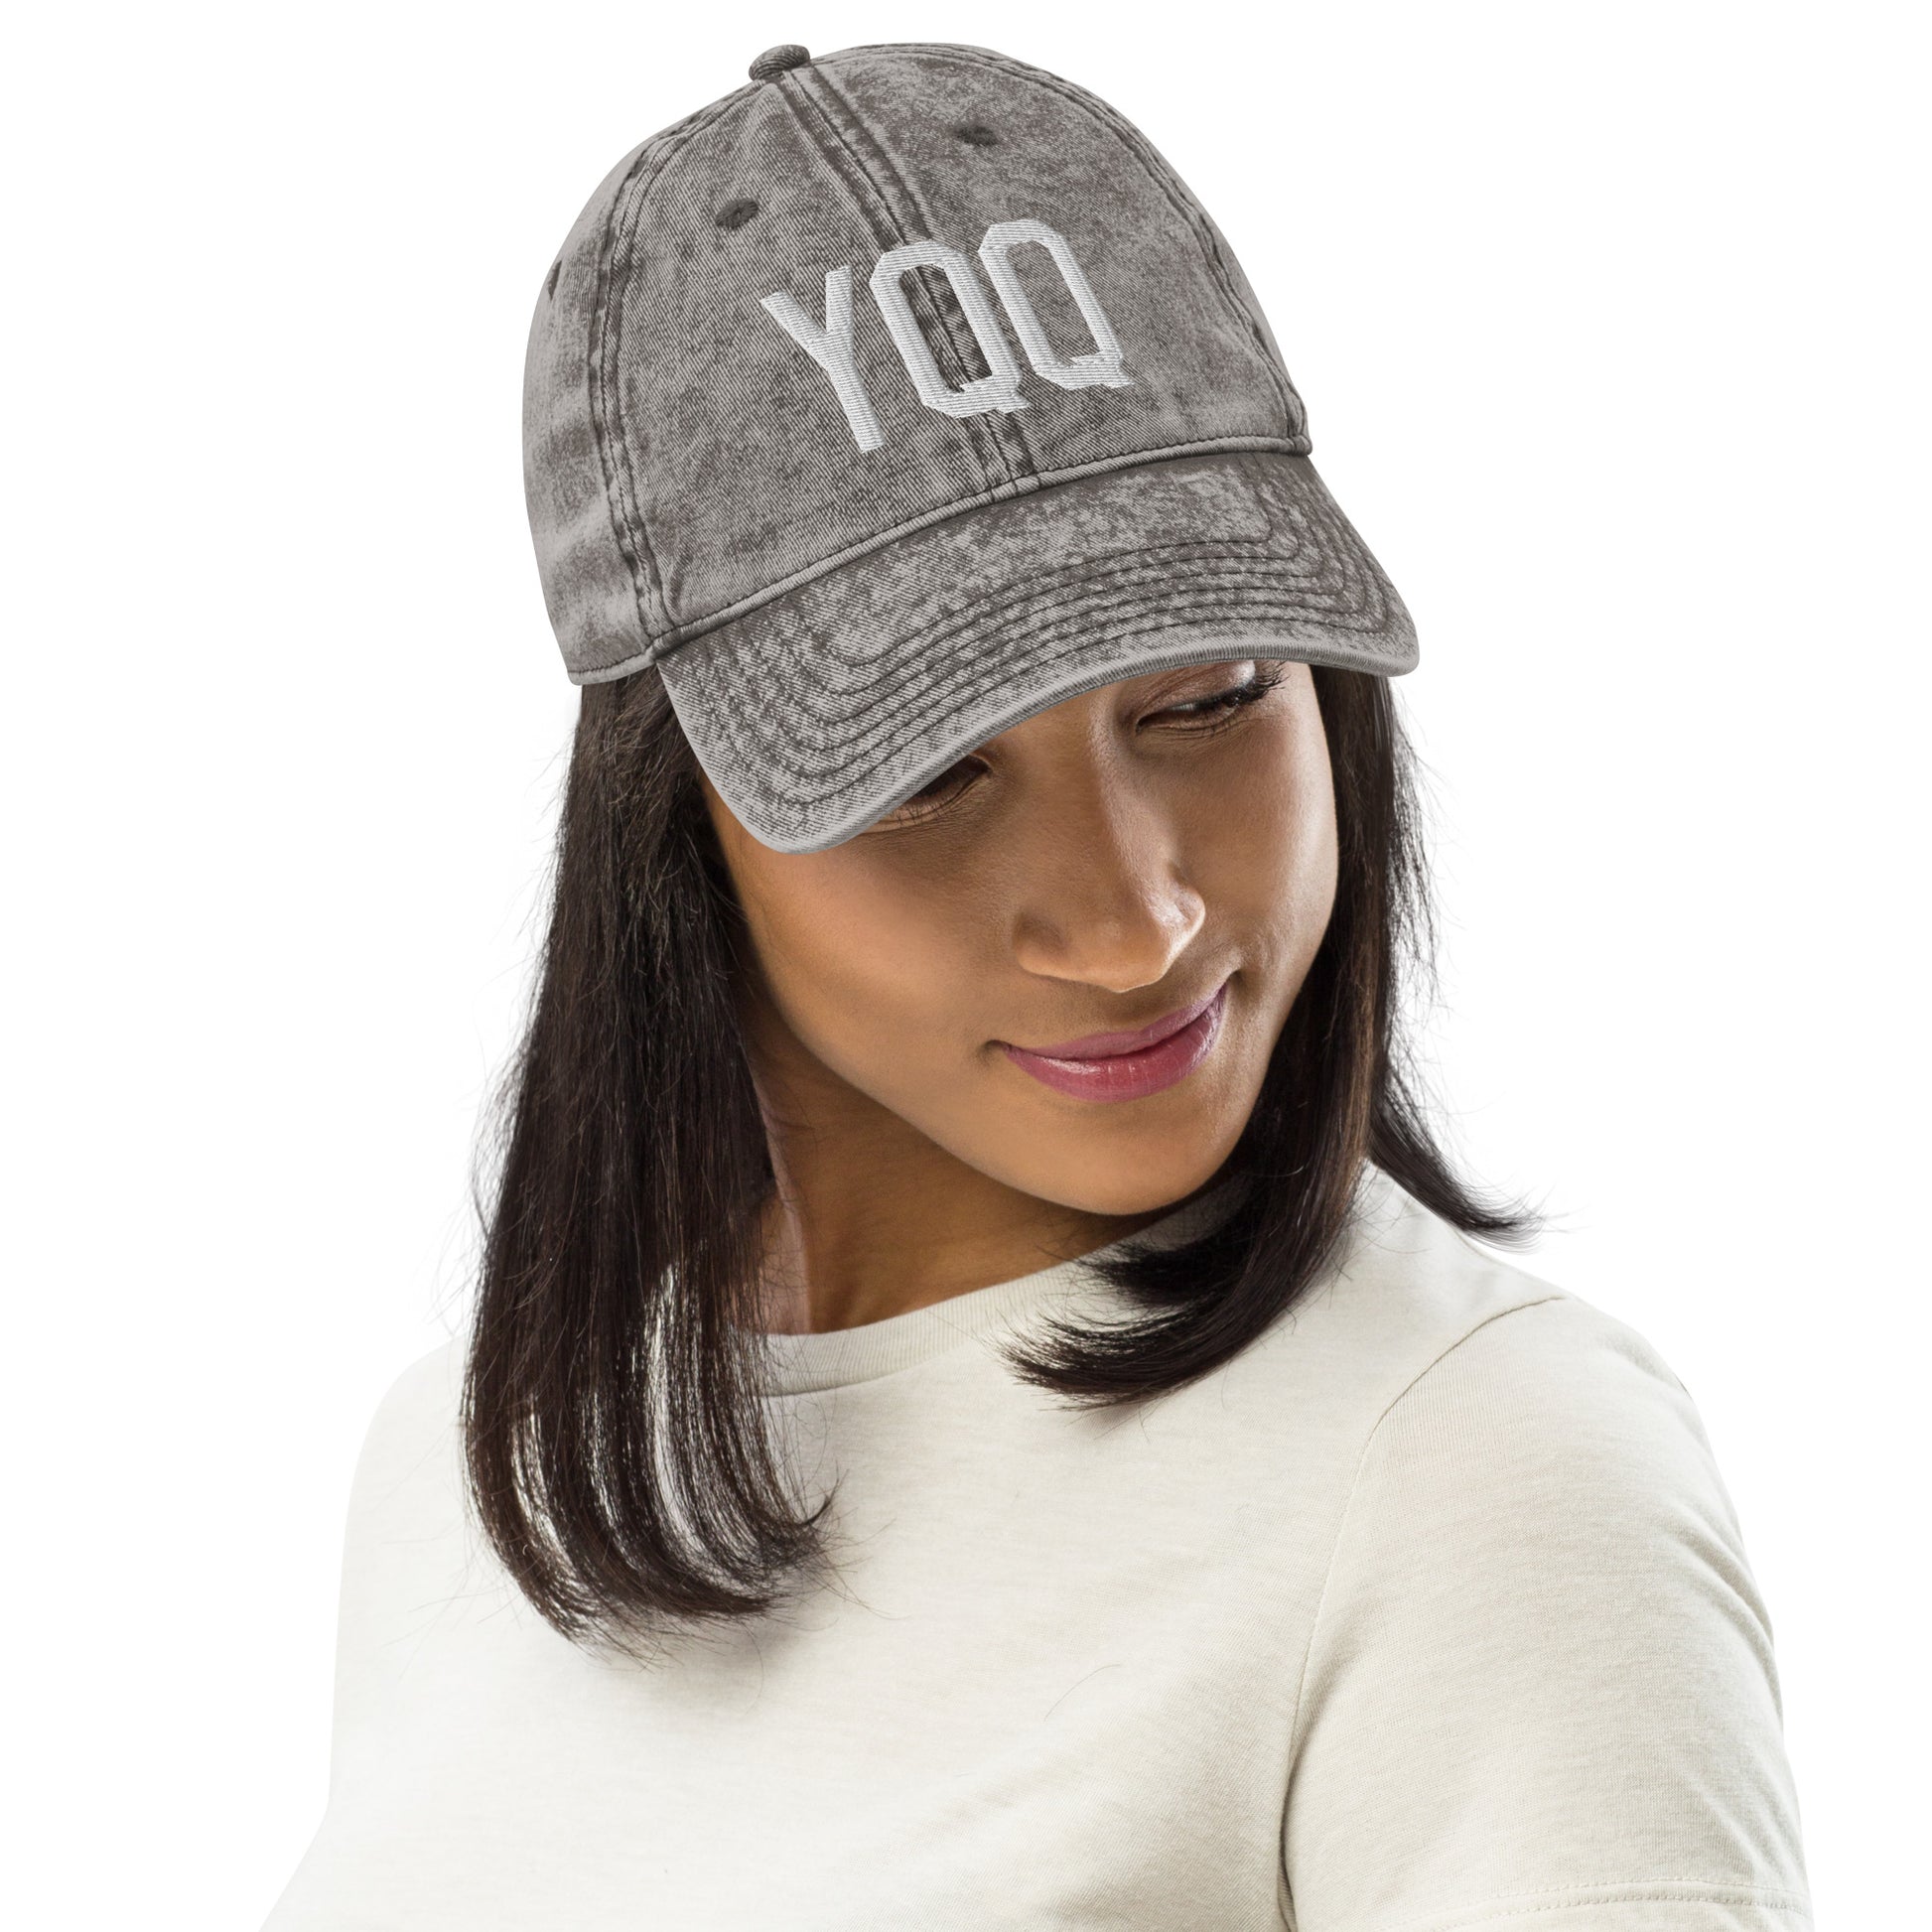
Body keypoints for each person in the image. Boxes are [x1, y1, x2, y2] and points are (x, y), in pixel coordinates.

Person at [263, 41, 1813, 1932]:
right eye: (930, 772)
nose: (1133, 920)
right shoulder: (475, 1473)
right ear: (673, 825)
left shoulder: (1477, 1466)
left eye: (1210, 697)